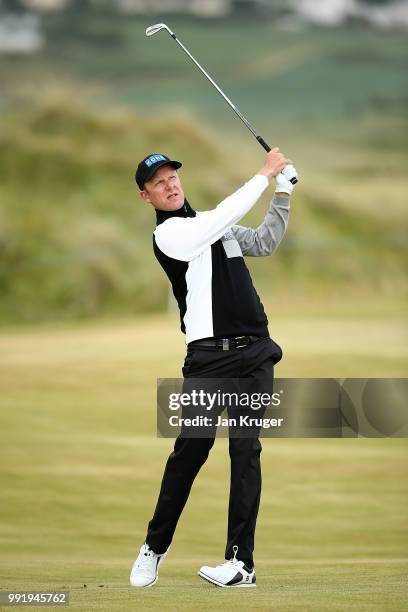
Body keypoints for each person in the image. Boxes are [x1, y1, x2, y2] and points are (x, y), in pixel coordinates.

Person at [130, 148, 297, 588]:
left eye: (172, 177)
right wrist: (264, 174)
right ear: (147, 196)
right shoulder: (171, 237)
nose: (169, 184)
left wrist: (283, 190)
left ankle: (241, 562)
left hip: (256, 351)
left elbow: (264, 241)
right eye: (158, 182)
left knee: (246, 451)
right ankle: (155, 546)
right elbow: (217, 219)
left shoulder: (216, 227)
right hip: (209, 360)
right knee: (192, 449)